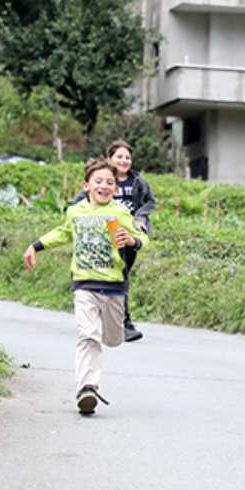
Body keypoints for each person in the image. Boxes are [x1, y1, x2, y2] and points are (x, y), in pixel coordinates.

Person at [23, 157, 148, 415]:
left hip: (114, 285)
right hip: (84, 283)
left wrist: (133, 241)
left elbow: (143, 238)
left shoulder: (120, 212)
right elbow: (63, 233)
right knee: (88, 336)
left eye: (109, 183)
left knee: (113, 339)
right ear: (87, 185)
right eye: (98, 181)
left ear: (115, 189)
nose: (103, 186)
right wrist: (36, 245)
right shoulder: (75, 212)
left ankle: (107, 338)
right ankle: (86, 388)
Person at [73, 140, 155, 342]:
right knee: (116, 275)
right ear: (110, 158)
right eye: (119, 156)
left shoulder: (138, 181)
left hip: (128, 235)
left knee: (122, 274)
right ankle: (122, 323)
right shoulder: (101, 179)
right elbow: (80, 200)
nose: (124, 160)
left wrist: (140, 218)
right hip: (104, 236)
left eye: (127, 157)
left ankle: (113, 319)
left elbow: (149, 201)